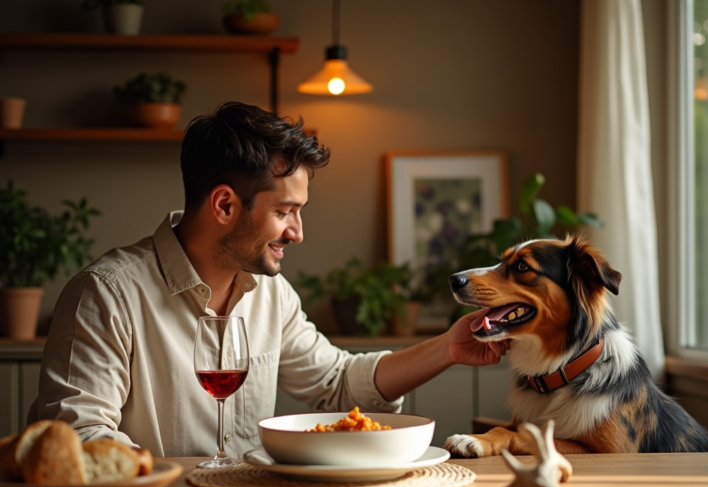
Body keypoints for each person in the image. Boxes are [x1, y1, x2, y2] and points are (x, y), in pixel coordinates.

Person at [32, 102, 509, 458]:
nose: (297, 233)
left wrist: (447, 347)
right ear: (224, 206)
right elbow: (79, 436)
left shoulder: (271, 294)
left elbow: (338, 383)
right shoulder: (107, 294)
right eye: (285, 212)